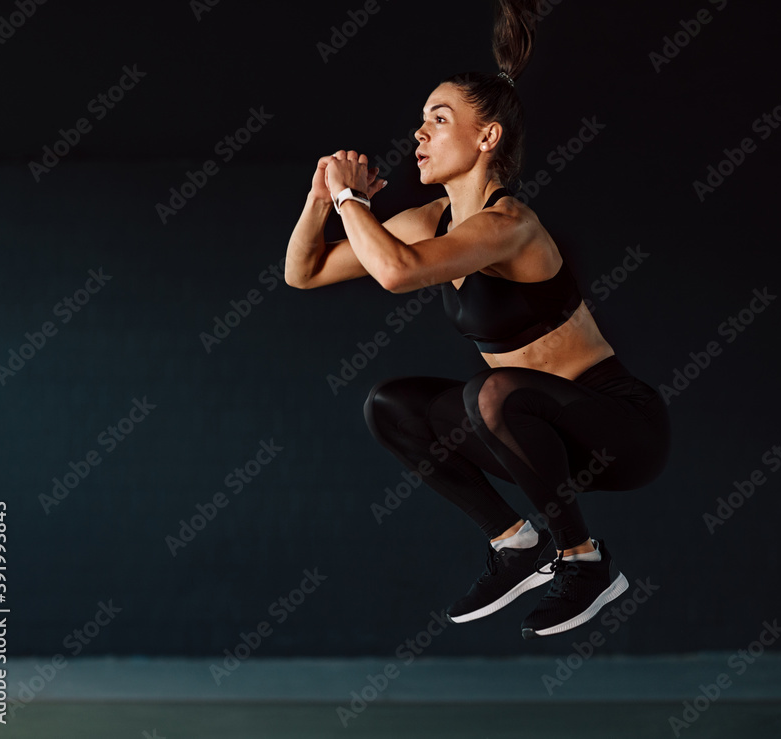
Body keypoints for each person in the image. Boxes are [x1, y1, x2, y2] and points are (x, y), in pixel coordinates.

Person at [284, 0, 670, 639]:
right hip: (531, 440)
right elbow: (305, 272)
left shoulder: (509, 224)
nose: (420, 135)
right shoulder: (428, 220)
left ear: (487, 137)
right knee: (391, 405)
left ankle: (585, 561)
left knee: (493, 392)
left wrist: (353, 199)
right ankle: (516, 545)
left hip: (618, 430)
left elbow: (398, 272)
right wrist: (321, 198)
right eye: (420, 121)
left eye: (439, 119)